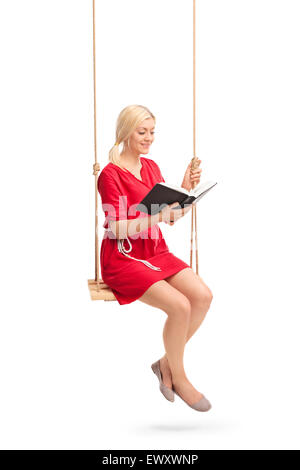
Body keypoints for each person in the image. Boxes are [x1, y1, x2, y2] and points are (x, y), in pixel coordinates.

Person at [98, 105, 213, 412]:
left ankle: (165, 363)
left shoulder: (150, 168)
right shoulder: (110, 175)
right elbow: (117, 227)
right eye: (142, 132)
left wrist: (186, 189)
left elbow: (171, 217)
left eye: (152, 132)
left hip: (154, 250)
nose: (149, 138)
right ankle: (180, 376)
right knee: (179, 305)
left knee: (202, 296)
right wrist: (157, 216)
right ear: (126, 132)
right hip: (123, 256)